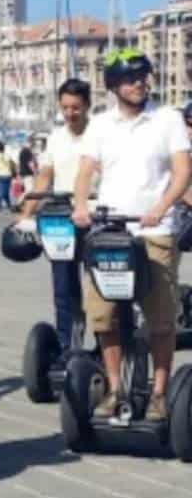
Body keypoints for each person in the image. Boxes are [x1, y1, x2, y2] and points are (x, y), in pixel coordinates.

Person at [72, 48, 191, 421]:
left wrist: (162, 207)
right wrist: (79, 204)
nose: (139, 83)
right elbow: (85, 171)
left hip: (156, 229)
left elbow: (183, 171)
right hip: (111, 229)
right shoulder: (102, 125)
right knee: (104, 315)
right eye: (130, 78)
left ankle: (158, 393)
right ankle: (114, 388)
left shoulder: (167, 118)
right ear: (113, 85)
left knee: (160, 316)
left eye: (143, 76)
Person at [21, 78, 92, 354]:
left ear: (87, 105)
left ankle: (106, 345)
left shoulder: (100, 134)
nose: (70, 113)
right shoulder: (57, 137)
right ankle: (67, 345)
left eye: (75, 107)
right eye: (65, 107)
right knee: (64, 288)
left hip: (96, 216)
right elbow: (44, 176)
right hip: (61, 219)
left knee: (100, 289)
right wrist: (26, 214)